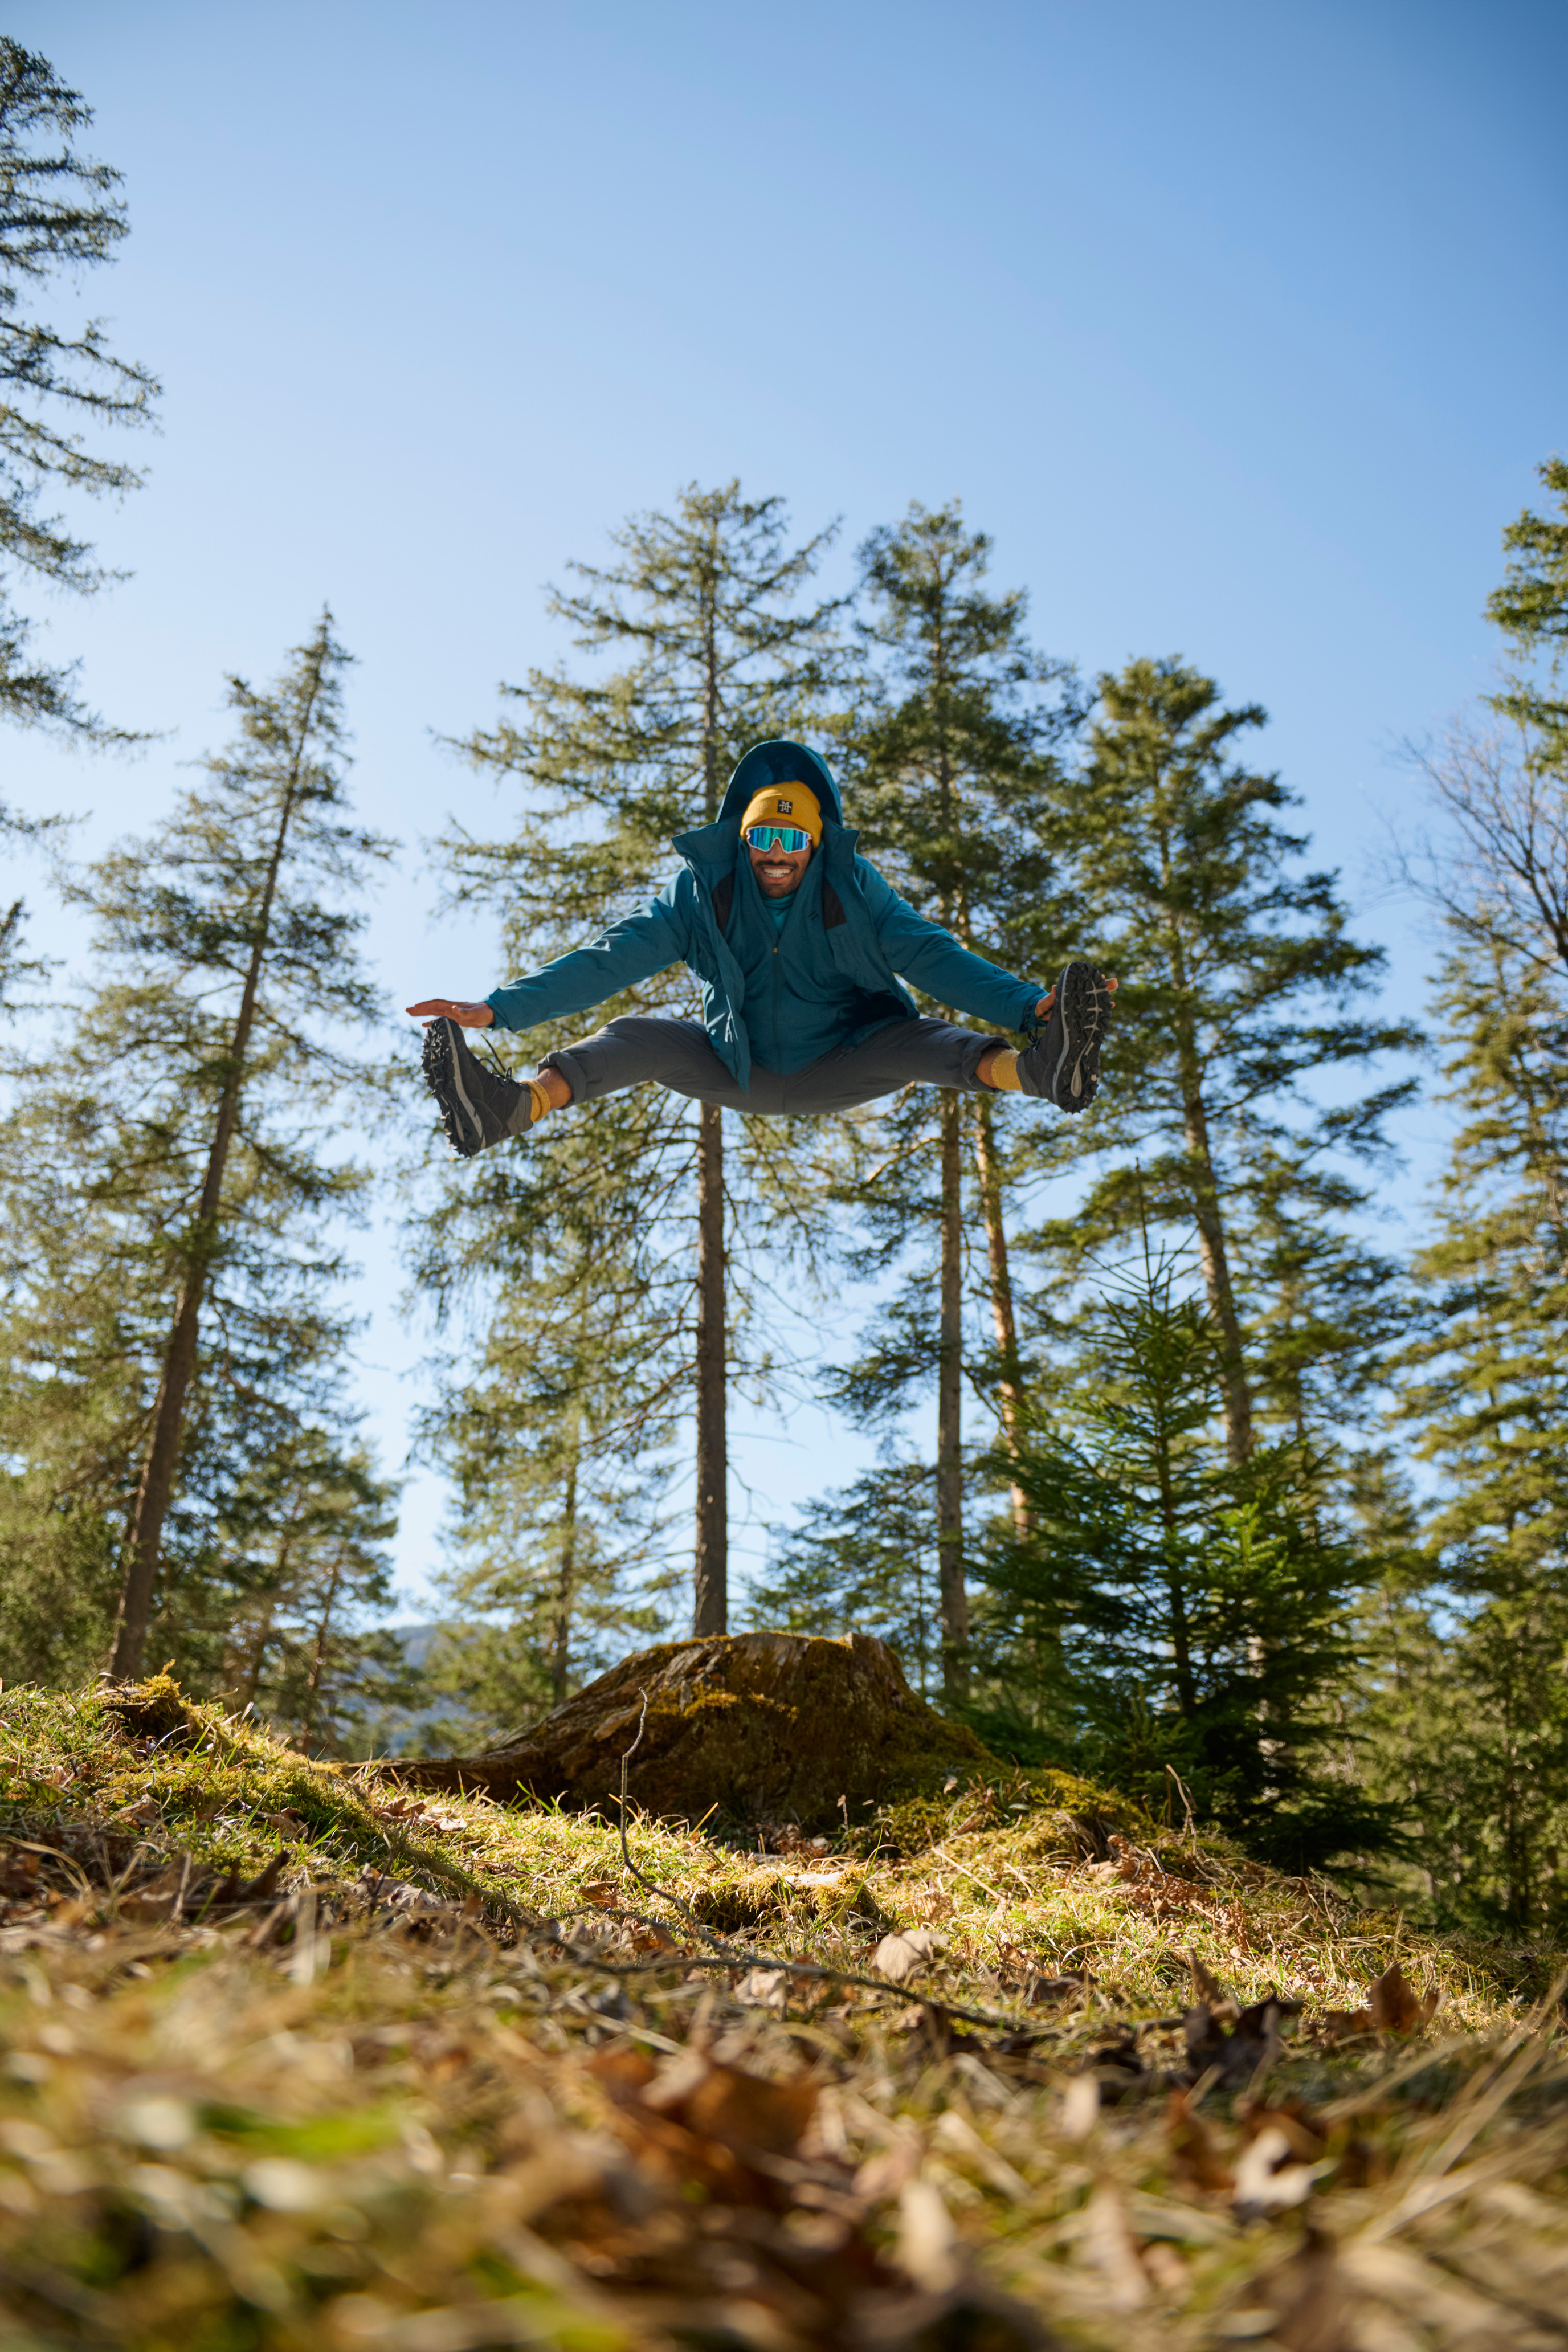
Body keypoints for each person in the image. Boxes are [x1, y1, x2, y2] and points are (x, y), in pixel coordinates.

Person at [407, 738, 1116, 1155]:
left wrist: (1027, 1005)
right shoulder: (702, 895)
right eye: (761, 837)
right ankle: (512, 1108)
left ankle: (1042, 1071)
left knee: (923, 1040)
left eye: (792, 838)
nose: (776, 854)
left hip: (842, 1060)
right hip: (736, 1066)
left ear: (815, 841)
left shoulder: (854, 890)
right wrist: (499, 1010)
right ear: (743, 839)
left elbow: (930, 953)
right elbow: (612, 957)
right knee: (636, 1037)